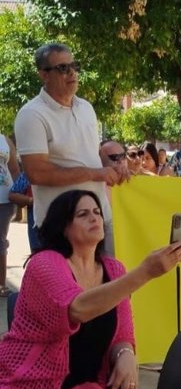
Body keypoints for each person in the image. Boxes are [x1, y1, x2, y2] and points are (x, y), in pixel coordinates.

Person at [0, 189, 181, 389]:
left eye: (97, 212)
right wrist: (145, 272)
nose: (94, 218)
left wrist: (125, 353)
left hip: (82, 388)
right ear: (64, 225)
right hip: (23, 387)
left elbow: (122, 331)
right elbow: (77, 308)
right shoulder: (45, 264)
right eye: (83, 214)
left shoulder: (113, 268)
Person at [14, 43, 127, 257]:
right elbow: (37, 173)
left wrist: (116, 168)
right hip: (61, 227)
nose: (72, 72)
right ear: (43, 75)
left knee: (109, 285)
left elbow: (92, 157)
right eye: (63, 68)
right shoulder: (31, 115)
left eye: (75, 65)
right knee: (72, 290)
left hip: (101, 216)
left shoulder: (86, 108)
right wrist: (96, 173)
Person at [0, 132, 19, 296]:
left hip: (4, 200)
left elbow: (14, 170)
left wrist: (19, 194)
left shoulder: (4, 140)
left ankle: (1, 285)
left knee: (0, 241)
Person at [9, 170, 40, 253]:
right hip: (36, 228)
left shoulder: (69, 167)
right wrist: (32, 201)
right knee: (39, 258)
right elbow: (13, 195)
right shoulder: (32, 171)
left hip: (65, 228)